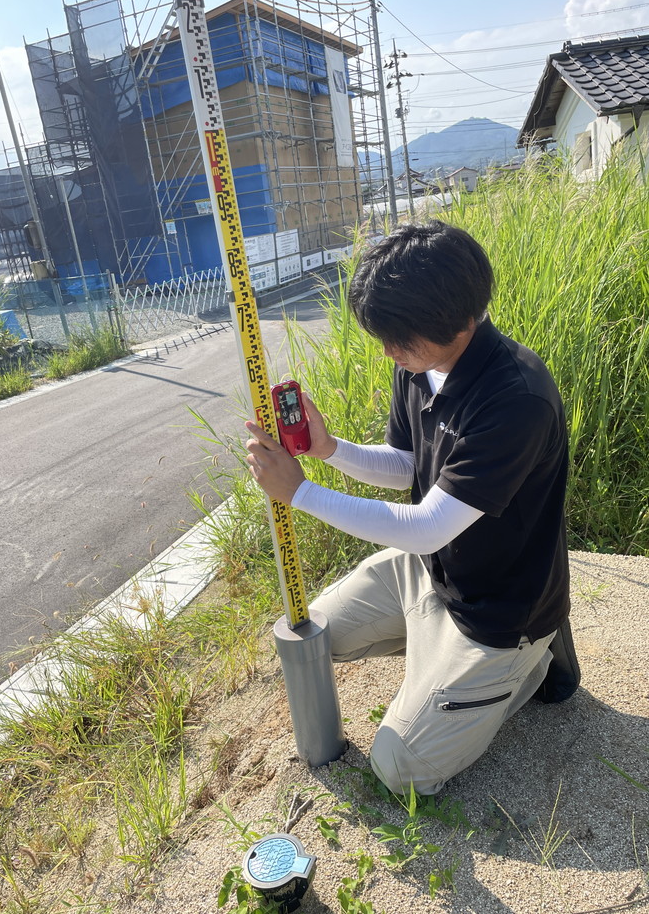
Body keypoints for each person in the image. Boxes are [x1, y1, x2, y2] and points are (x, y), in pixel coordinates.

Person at [245, 221, 579, 796]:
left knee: (400, 768)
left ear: (462, 319)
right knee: (317, 635)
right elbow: (406, 463)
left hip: (498, 612)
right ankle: (441, 668)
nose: (390, 353)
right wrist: (327, 450)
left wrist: (300, 493)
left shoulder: (515, 399)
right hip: (429, 571)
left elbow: (425, 527)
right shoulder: (418, 364)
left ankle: (532, 663)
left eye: (400, 340)